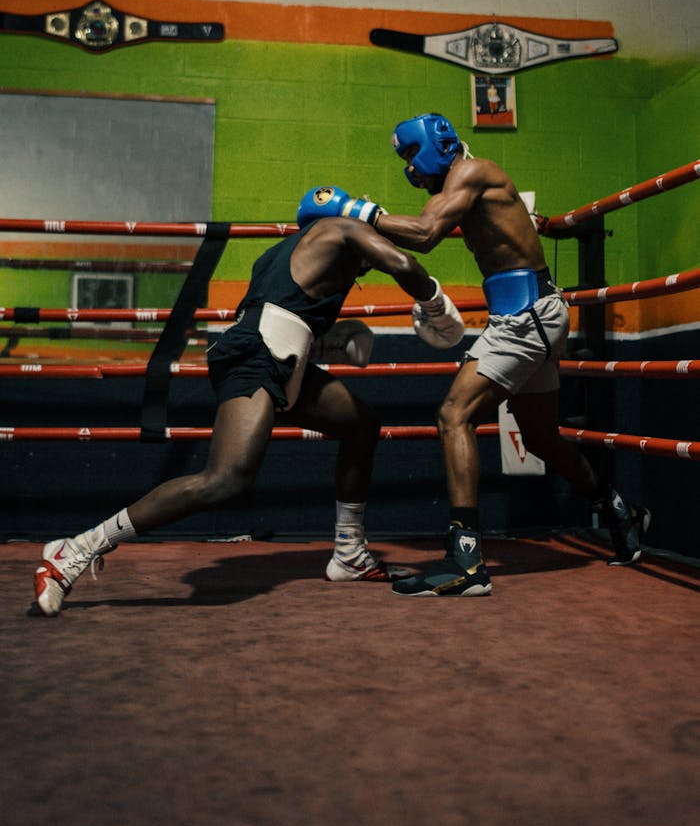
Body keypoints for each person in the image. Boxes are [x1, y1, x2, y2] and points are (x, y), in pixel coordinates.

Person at [34, 191, 465, 616]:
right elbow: (405, 262)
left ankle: (350, 554)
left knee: (361, 424)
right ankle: (75, 550)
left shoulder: (286, 254)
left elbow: (285, 314)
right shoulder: (341, 227)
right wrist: (436, 306)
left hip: (277, 357)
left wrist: (335, 339)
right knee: (224, 479)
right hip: (259, 356)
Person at [299, 114, 651, 598]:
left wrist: (356, 210)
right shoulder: (465, 181)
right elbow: (422, 230)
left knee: (453, 414)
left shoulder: (473, 171)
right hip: (534, 314)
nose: (409, 170)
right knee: (542, 438)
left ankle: (466, 562)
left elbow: (424, 234)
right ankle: (618, 509)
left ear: (436, 146)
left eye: (409, 156)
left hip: (526, 317)